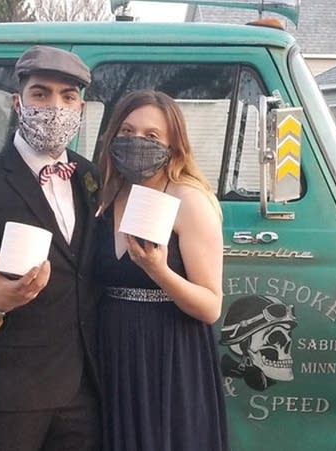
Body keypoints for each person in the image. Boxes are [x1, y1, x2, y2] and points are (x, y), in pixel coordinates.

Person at [0, 45, 101, 451]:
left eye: (68, 97)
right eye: (40, 93)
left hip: (85, 391)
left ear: (81, 108)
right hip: (10, 395)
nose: (55, 106)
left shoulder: (89, 175)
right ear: (18, 102)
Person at [95, 89, 228, 451]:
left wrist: (159, 271)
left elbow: (210, 305)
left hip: (168, 355)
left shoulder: (188, 200)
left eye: (152, 136)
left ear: (173, 145)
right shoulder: (108, 196)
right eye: (126, 131)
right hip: (112, 352)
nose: (136, 141)